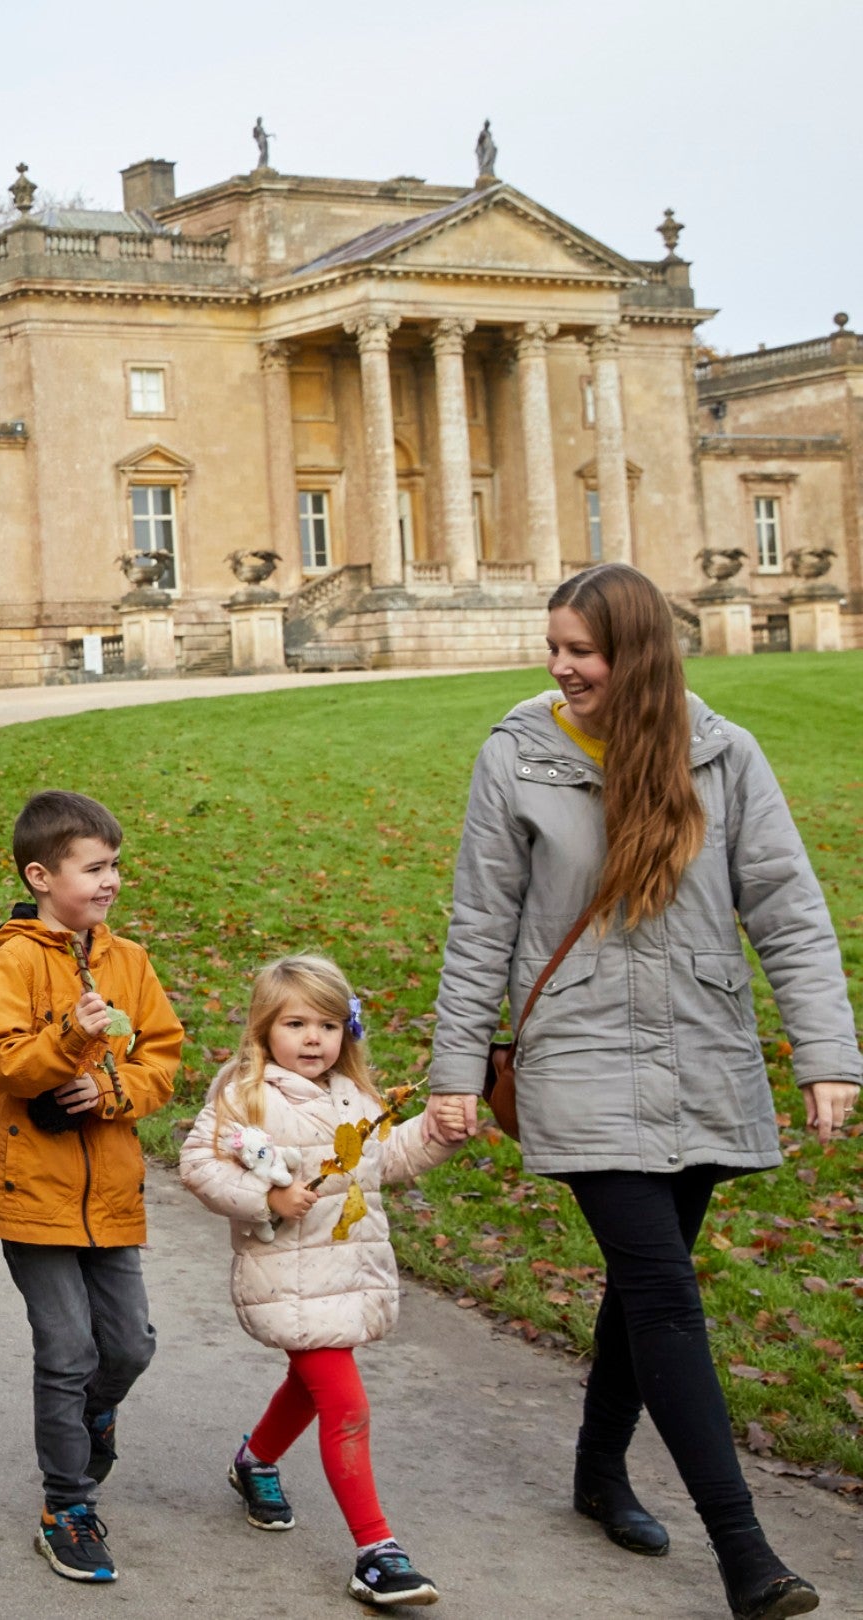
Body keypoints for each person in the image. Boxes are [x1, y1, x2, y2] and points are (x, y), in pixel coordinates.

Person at [427, 562, 855, 1620]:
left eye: (583, 650)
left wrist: (828, 1054)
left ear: (641, 657)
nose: (561, 666)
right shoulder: (517, 755)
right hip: (574, 1050)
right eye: (555, 645)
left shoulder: (725, 755)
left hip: (704, 1046)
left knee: (642, 1280)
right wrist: (454, 1074)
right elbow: (481, 922)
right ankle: (747, 1554)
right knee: (664, 1289)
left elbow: (788, 910)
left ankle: (597, 1470)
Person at [178, 955, 457, 1608]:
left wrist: (439, 1134)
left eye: (328, 1025)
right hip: (289, 1276)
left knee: (311, 1386)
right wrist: (264, 1200)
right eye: (297, 1023)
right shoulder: (247, 1097)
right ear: (264, 1029)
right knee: (346, 1405)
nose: (313, 1039)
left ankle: (255, 1460)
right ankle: (376, 1553)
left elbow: (385, 1159)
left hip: (346, 1271)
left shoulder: (352, 1096)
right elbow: (197, 1164)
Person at [0, 789, 184, 1584]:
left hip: (114, 1195)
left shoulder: (129, 960)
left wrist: (114, 1091)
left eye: (115, 866)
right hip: (36, 1194)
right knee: (65, 1349)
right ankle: (68, 1504)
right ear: (40, 875)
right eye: (94, 868)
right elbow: (2, 1061)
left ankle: (95, 1415)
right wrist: (71, 1038)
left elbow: (162, 1057)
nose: (110, 881)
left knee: (127, 1346)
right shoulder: (19, 958)